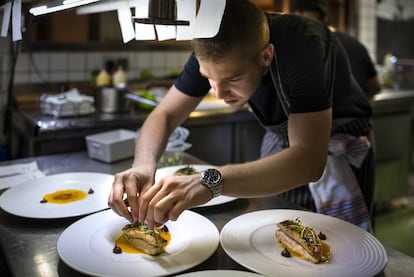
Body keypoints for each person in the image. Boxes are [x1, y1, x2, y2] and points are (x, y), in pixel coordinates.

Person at [108, 0, 375, 231]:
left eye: (234, 78)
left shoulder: (305, 45)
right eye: (208, 79)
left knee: (340, 247)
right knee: (276, 233)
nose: (219, 92)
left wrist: (210, 181)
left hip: (340, 147)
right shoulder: (215, 49)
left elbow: (308, 161)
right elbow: (164, 114)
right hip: (282, 144)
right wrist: (143, 165)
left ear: (266, 56)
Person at [290, 0, 382, 99]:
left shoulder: (306, 47)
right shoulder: (356, 45)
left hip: (328, 114)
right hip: (359, 112)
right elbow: (375, 86)